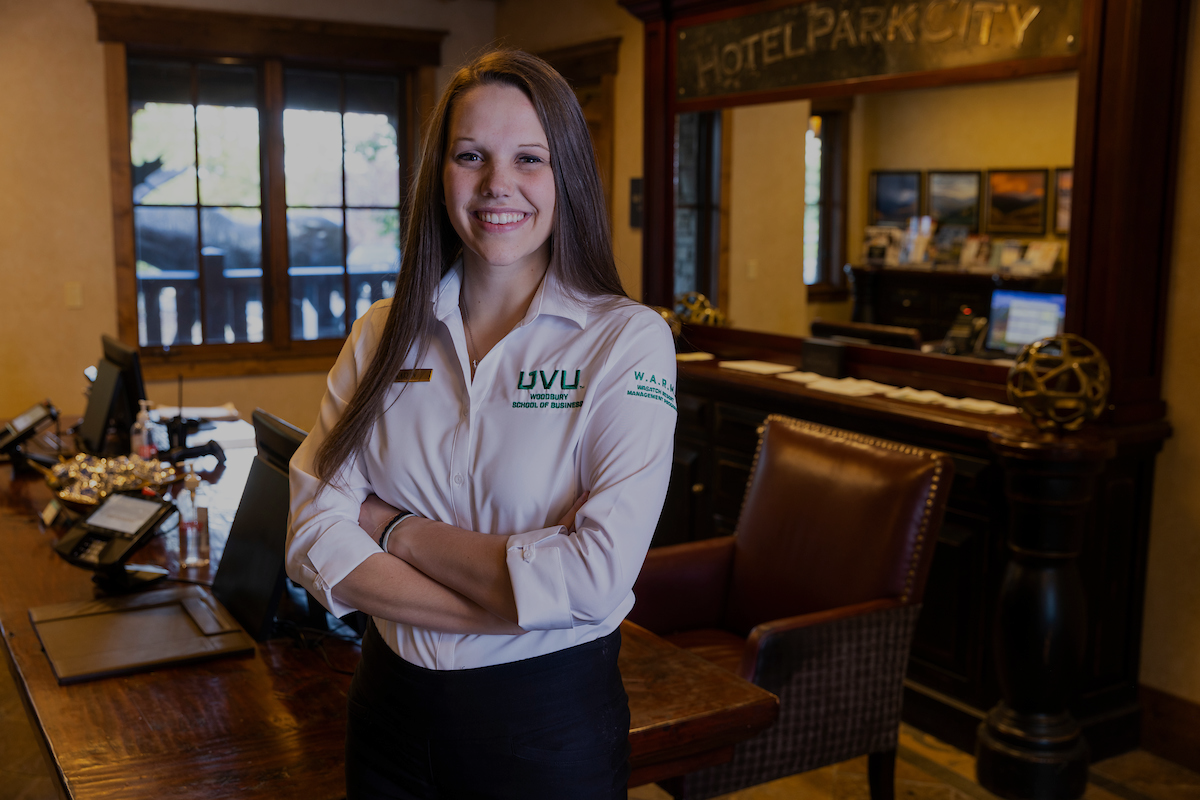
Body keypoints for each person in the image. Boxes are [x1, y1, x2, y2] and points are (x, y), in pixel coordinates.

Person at [286, 48, 677, 799]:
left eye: (529, 158)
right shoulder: (380, 333)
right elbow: (310, 535)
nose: (499, 184)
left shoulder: (626, 341)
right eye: (472, 156)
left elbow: (593, 580)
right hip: (387, 712)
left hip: (546, 726)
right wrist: (517, 605)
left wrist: (389, 524)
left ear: (566, 176)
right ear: (442, 174)